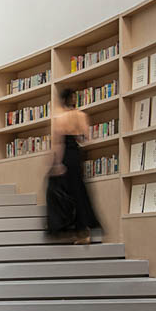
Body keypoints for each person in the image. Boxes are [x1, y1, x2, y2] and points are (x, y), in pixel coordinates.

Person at [47, 87, 103, 243]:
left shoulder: (60, 118)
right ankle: (83, 232)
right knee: (79, 192)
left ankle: (65, 228)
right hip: (76, 155)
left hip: (65, 156)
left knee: (57, 191)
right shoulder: (81, 115)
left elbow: (58, 143)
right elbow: (85, 138)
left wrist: (57, 164)